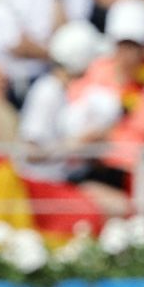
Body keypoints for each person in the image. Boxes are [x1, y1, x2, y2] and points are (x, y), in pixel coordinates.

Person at [70, 0, 144, 214]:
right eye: (122, 44)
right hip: (100, 165)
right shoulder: (98, 69)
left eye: (134, 45)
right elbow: (77, 123)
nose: (127, 53)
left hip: (141, 169)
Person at [15, 20, 117, 237]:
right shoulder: (47, 92)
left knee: (122, 207)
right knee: (93, 216)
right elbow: (31, 153)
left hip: (59, 182)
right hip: (39, 187)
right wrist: (76, 144)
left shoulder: (61, 91)